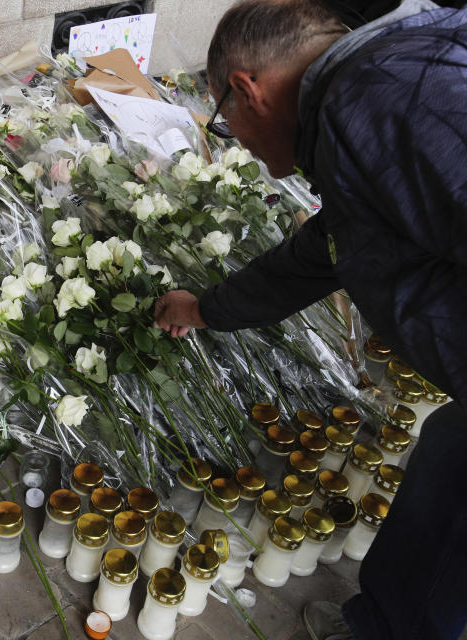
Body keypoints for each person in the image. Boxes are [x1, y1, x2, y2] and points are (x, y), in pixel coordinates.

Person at [152, 0, 467, 639]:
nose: (234, 140)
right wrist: (208, 309)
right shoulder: (375, 85)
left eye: (224, 121)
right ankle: (386, 621)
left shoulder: (382, 103)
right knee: (448, 462)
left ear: (248, 90)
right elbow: (330, 247)